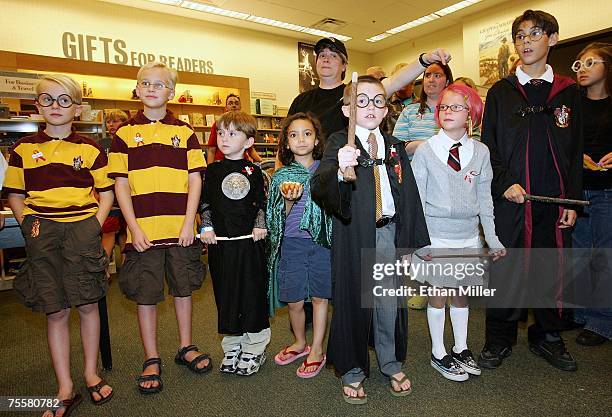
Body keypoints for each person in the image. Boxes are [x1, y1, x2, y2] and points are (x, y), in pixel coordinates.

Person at [311, 75, 430, 404]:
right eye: (360, 100)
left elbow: (408, 194)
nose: (370, 107)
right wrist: (338, 169)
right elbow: (320, 186)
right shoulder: (339, 142)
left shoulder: (393, 146)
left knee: (388, 301)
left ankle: (390, 361)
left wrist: (408, 244)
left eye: (378, 100)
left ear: (386, 108)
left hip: (388, 233)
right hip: (353, 236)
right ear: (348, 109)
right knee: (353, 301)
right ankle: (351, 369)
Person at [478, 10, 583, 372]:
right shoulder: (501, 92)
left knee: (550, 268)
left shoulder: (569, 92)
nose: (525, 42)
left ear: (552, 39)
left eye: (534, 34)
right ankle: (499, 338)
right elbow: (487, 145)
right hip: (510, 198)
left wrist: (572, 198)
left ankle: (548, 336)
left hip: (554, 201)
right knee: (506, 267)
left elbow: (575, 151)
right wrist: (504, 182)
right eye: (519, 36)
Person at [3, 74, 115, 416]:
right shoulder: (23, 150)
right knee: (56, 309)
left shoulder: (91, 149)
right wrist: (27, 224)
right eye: (48, 100)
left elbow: (106, 193)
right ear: (37, 106)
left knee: (87, 303)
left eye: (64, 100)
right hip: (42, 230)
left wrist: (92, 225)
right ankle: (65, 384)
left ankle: (91, 373)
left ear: (77, 108)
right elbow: (16, 195)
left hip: (82, 228)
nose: (56, 106)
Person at [108, 62, 211, 395]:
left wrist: (188, 222)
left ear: (172, 92)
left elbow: (195, 181)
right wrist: (133, 228)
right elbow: (120, 185)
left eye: (160, 84)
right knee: (146, 294)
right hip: (144, 233)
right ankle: (151, 356)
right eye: (145, 83)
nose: (152, 88)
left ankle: (185, 346)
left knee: (184, 290)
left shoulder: (185, 132)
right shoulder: (122, 135)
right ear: (137, 90)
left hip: (180, 229)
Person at [411, 83, 505, 381]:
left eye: (455, 106)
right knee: (438, 294)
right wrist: (420, 243)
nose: (447, 111)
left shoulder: (481, 152)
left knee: (461, 295)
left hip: (468, 237)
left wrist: (491, 238)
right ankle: (439, 352)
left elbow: (486, 199)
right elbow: (416, 201)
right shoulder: (426, 151)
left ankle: (461, 348)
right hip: (436, 237)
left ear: (471, 114)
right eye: (443, 107)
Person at [200, 111, 271, 376]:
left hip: (249, 242)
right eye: (221, 132)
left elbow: (261, 202)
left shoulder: (254, 171)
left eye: (232, 133)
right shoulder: (213, 170)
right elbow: (205, 201)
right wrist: (206, 226)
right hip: (221, 244)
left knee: (251, 291)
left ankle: (255, 346)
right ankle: (232, 343)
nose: (224, 138)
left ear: (249, 142)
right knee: (225, 292)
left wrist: (260, 225)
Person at [267, 112, 332, 378]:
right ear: (286, 141)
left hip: (321, 244)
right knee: (293, 299)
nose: (301, 139)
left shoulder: (328, 171)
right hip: (292, 244)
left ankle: (317, 348)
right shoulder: (280, 175)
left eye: (307, 133)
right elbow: (275, 217)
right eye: (293, 135)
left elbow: (338, 209)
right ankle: (300, 342)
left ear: (317, 139)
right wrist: (289, 201)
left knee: (319, 297)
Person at [571, 42, 612, 346]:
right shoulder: (572, 104)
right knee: (580, 254)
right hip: (577, 189)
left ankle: (601, 321)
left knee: (604, 255)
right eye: (579, 64)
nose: (582, 69)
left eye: (590, 63)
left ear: (607, 67)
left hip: (607, 189)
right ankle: (582, 313)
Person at [393, 62, 454, 157]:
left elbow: (471, 144)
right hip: (414, 170)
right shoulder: (409, 111)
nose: (431, 80)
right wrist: (424, 145)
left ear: (447, 82)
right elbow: (395, 150)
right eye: (427, 75)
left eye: (437, 76)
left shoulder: (457, 111)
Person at [101, 109, 129, 278]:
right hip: (107, 190)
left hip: (126, 189)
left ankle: (127, 268)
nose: (111, 125)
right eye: (109, 122)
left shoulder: (129, 140)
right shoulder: (102, 143)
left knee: (126, 231)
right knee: (109, 230)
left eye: (115, 121)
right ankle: (103, 268)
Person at [206, 94, 262, 165]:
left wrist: (263, 162)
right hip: (221, 163)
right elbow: (211, 149)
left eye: (236, 103)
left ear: (240, 107)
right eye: (230, 103)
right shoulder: (218, 124)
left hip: (241, 162)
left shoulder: (245, 124)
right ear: (226, 107)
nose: (234, 105)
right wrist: (209, 168)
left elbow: (250, 150)